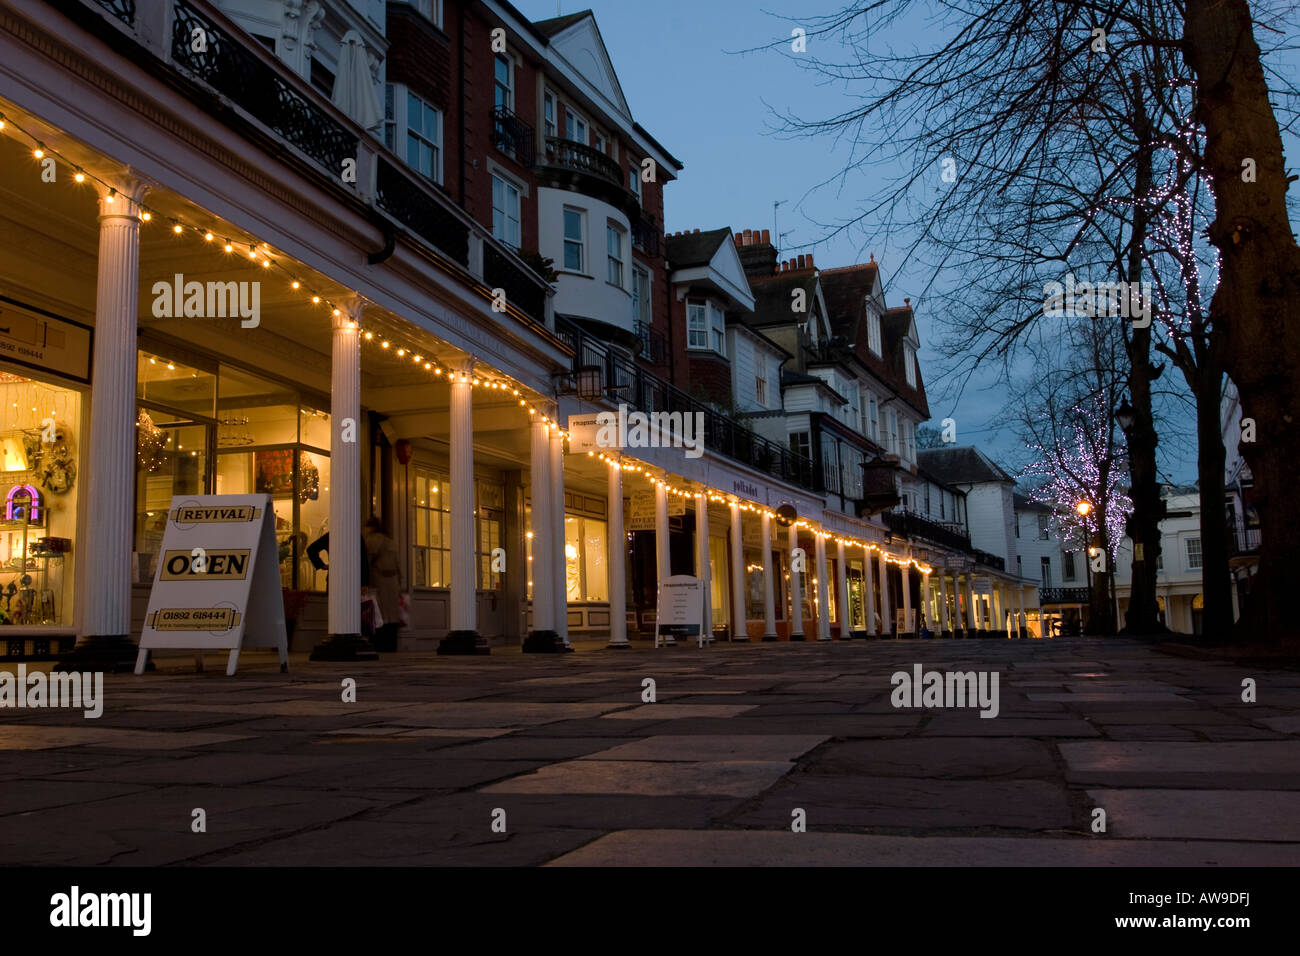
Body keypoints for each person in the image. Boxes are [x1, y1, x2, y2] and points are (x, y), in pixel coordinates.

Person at [364, 517, 403, 652]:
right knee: (391, 616)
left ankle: (380, 645)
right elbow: (398, 565)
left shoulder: (371, 541)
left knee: (379, 614)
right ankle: (391, 645)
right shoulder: (390, 542)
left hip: (378, 581)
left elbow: (367, 562)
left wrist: (365, 581)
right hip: (392, 582)